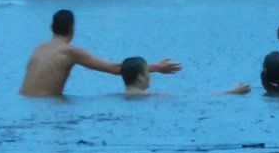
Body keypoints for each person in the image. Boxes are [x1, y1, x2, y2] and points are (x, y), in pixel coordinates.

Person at [19, 10, 182, 97]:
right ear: (72, 29)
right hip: (48, 104)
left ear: (51, 27)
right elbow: (116, 68)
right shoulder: (69, 51)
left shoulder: (38, 48)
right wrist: (158, 67)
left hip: (26, 101)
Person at [120, 56, 250, 96]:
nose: (150, 76)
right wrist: (231, 91)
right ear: (140, 77)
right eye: (148, 72)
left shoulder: (122, 96)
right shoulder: (153, 96)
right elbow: (198, 98)